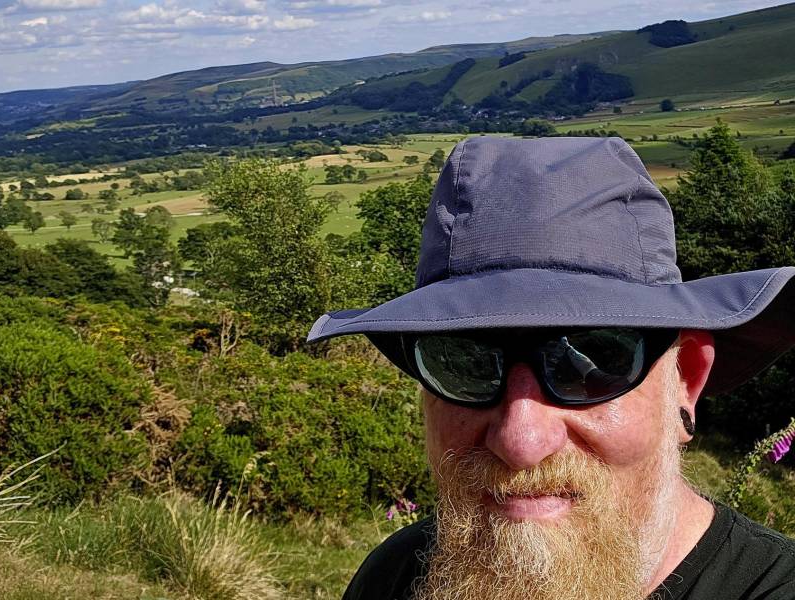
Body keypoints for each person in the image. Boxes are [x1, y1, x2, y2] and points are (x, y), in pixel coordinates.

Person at [307, 136, 795, 600]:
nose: (520, 444)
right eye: (463, 364)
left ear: (685, 379)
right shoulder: (397, 575)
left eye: (596, 363)